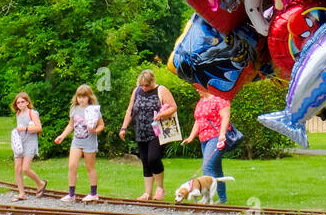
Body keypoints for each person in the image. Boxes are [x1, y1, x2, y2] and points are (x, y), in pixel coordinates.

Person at [119, 69, 177, 201]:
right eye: (142, 85)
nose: (144, 88)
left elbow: (173, 107)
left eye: (147, 85)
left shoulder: (161, 90)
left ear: (152, 82)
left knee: (153, 158)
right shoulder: (137, 90)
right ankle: (147, 193)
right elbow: (130, 110)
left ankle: (160, 188)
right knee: (145, 161)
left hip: (157, 131)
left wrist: (162, 114)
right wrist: (124, 127)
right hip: (140, 130)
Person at [54, 85, 105, 201]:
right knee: (72, 166)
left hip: (89, 142)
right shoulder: (74, 109)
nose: (81, 99)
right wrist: (62, 136)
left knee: (90, 167)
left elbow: (101, 124)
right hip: (76, 142)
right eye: (79, 97)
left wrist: (95, 130)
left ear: (89, 97)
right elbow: (71, 125)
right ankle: (71, 194)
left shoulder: (94, 110)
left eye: (84, 97)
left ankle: (93, 193)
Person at [182, 89, 232, 204]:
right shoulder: (201, 101)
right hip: (204, 138)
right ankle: (223, 199)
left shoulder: (220, 99)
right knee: (216, 169)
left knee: (207, 167)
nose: (197, 89)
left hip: (216, 137)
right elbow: (198, 121)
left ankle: (207, 198)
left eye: (199, 87)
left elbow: (225, 117)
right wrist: (191, 137)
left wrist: (222, 134)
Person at [12, 92, 46, 200]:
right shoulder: (18, 114)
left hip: (30, 143)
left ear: (27, 102)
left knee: (25, 168)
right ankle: (21, 193)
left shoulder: (32, 113)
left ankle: (40, 183)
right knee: (17, 169)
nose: (20, 104)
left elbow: (39, 128)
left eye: (23, 102)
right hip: (19, 143)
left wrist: (25, 128)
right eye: (18, 102)